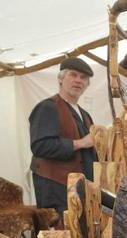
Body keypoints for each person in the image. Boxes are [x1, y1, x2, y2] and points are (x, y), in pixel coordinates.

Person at [29, 57, 98, 222]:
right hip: (56, 188)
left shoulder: (85, 115)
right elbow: (40, 146)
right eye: (73, 75)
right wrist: (81, 142)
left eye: (83, 78)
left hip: (81, 188)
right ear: (61, 79)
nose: (78, 80)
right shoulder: (47, 107)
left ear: (87, 85)